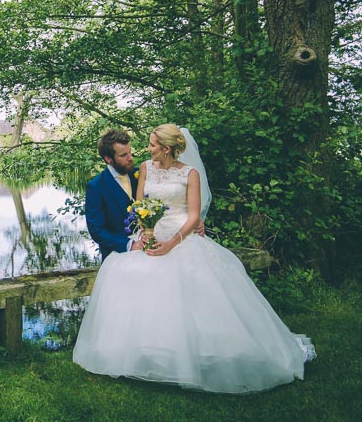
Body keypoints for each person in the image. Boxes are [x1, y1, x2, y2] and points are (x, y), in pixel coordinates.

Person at [73, 124, 315, 394]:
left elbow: (190, 212)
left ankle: (204, 350)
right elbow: (116, 221)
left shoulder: (180, 172)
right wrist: (142, 237)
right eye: (124, 154)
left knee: (196, 286)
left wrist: (186, 229)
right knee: (136, 280)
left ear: (166, 148)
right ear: (110, 159)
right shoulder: (118, 178)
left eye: (149, 145)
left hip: (180, 238)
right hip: (141, 241)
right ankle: (147, 353)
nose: (137, 153)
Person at [84, 129, 143, 260]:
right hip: (117, 256)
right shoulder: (96, 187)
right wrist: (129, 245)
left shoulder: (140, 175)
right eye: (123, 155)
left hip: (148, 251)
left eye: (130, 152)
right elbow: (97, 230)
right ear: (108, 159)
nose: (130, 158)